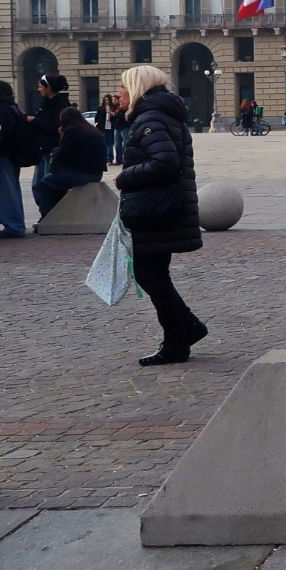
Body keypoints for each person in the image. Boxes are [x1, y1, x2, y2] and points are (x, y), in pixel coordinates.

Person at [115, 65, 207, 366]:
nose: (119, 94)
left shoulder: (149, 118)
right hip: (164, 207)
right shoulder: (163, 114)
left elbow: (165, 161)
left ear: (137, 88)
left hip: (154, 209)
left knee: (150, 275)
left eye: (124, 87)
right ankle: (186, 329)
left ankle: (177, 343)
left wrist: (125, 177)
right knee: (155, 274)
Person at [0, 80, 33, 238]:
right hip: (11, 154)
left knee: (4, 190)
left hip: (2, 154)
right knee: (7, 188)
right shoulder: (12, 107)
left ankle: (14, 226)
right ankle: (8, 223)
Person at [35, 107, 108, 217]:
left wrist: (60, 141)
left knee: (45, 183)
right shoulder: (93, 130)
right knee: (57, 183)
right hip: (97, 174)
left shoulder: (72, 131)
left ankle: (47, 216)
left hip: (81, 174)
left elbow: (63, 154)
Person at [26, 74, 72, 191]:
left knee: (46, 185)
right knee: (38, 186)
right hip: (43, 148)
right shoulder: (47, 103)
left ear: (49, 88)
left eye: (41, 86)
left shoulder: (61, 106)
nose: (39, 89)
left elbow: (56, 127)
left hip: (51, 148)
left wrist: (35, 120)